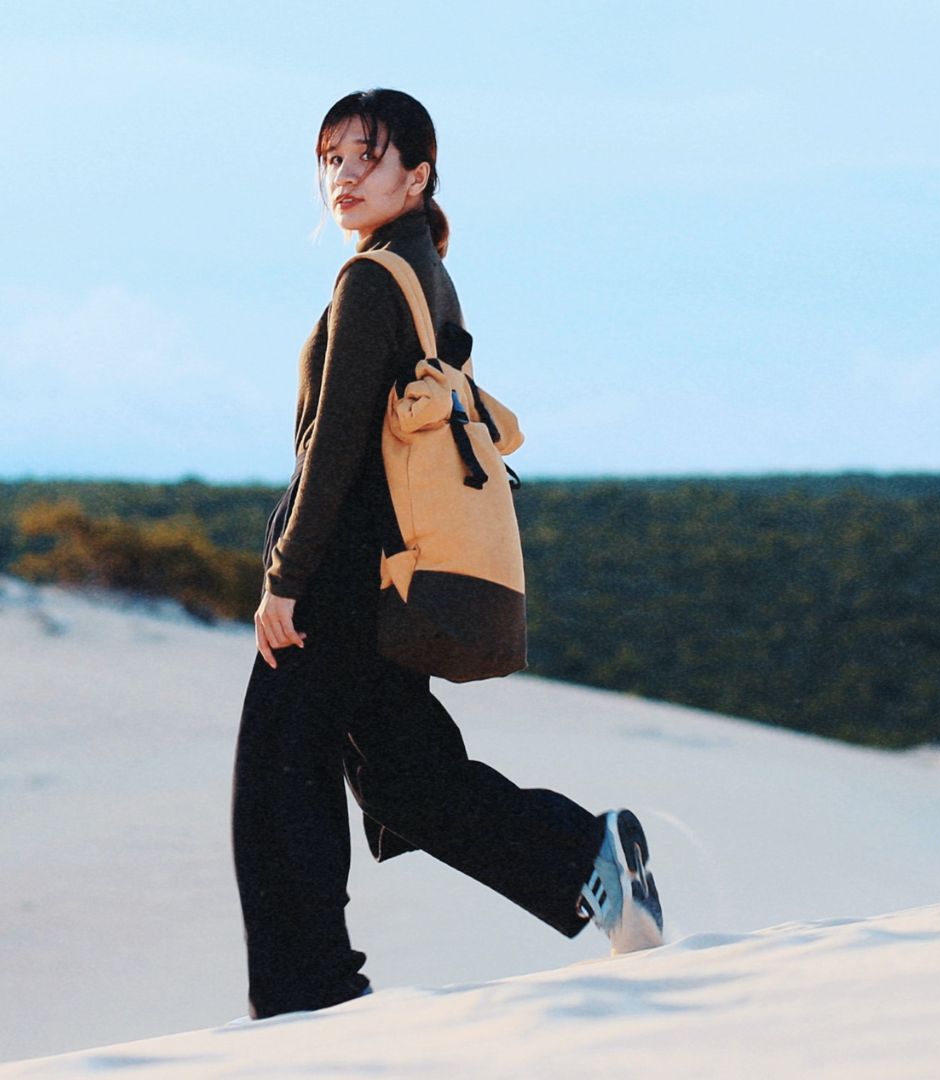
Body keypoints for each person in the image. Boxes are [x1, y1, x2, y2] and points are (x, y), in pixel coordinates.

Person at [231, 87, 666, 1021]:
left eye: (366, 158)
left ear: (416, 174)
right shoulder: (428, 273)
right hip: (389, 572)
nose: (342, 177)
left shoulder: (368, 283)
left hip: (341, 575)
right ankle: (585, 857)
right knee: (402, 776)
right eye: (331, 160)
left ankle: (309, 997)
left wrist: (286, 580)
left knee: (276, 781)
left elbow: (335, 446)